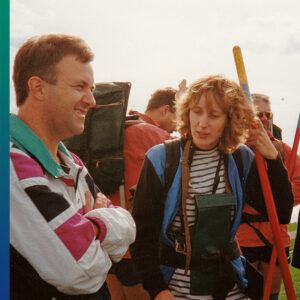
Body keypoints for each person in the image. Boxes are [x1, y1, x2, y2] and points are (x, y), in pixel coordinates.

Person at [130, 75, 294, 300]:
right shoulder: (160, 159)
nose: (202, 123)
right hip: (177, 289)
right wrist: (158, 290)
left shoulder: (240, 158)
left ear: (230, 119)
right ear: (186, 111)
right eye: (197, 111)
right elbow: (142, 234)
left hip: (231, 286)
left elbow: (281, 213)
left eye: (214, 115)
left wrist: (274, 160)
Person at [10, 34, 136, 300]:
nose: (91, 100)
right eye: (80, 86)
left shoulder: (72, 162)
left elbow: (128, 227)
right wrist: (105, 230)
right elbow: (82, 272)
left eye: (90, 88)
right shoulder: (13, 162)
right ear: (38, 88)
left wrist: (94, 228)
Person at [107, 87, 177, 300]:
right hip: (136, 245)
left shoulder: (118, 128)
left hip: (106, 240)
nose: (178, 125)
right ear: (166, 110)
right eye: (179, 116)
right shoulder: (157, 137)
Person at [236, 93, 300, 300]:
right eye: (257, 113)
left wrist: (275, 200)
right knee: (245, 294)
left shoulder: (282, 150)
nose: (263, 118)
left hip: (276, 235)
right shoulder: (234, 150)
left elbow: (298, 185)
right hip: (243, 236)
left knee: (271, 295)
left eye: (267, 114)